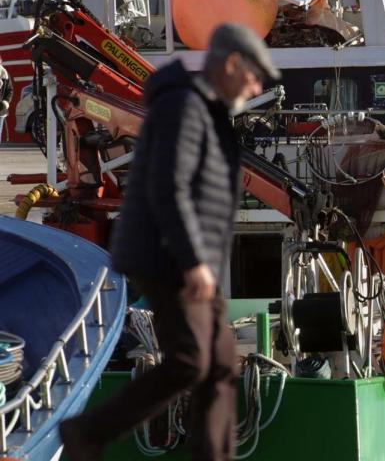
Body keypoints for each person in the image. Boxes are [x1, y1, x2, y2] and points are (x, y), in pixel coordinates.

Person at [59, 23, 280, 461]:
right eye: (254, 75)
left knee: (217, 367)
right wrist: (195, 261)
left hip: (193, 261)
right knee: (192, 362)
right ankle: (87, 431)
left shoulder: (205, 109)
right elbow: (167, 186)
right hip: (168, 257)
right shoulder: (183, 105)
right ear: (232, 64)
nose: (257, 87)